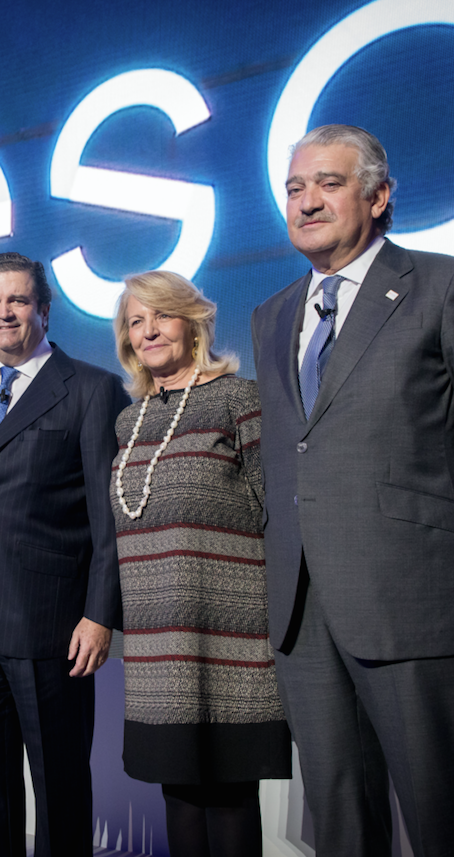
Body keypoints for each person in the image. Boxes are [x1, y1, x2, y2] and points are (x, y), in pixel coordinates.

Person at [251, 124, 454, 856]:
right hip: (301, 610)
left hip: (412, 601)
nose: (306, 201)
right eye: (294, 187)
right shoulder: (273, 314)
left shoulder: (448, 287)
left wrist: (430, 548)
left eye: (328, 183)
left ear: (378, 197)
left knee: (441, 820)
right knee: (340, 821)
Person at [0, 251, 129, 856]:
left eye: (17, 300)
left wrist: (100, 615)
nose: (4, 313)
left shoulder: (93, 390)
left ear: (44, 310)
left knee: (60, 787)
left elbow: (111, 519)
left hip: (50, 627)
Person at [110, 270, 290, 856]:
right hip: (155, 648)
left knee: (230, 796)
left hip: (230, 641)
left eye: (160, 314)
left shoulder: (240, 399)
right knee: (179, 794)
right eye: (136, 321)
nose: (148, 330)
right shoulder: (127, 422)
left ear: (193, 323)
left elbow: (279, 515)